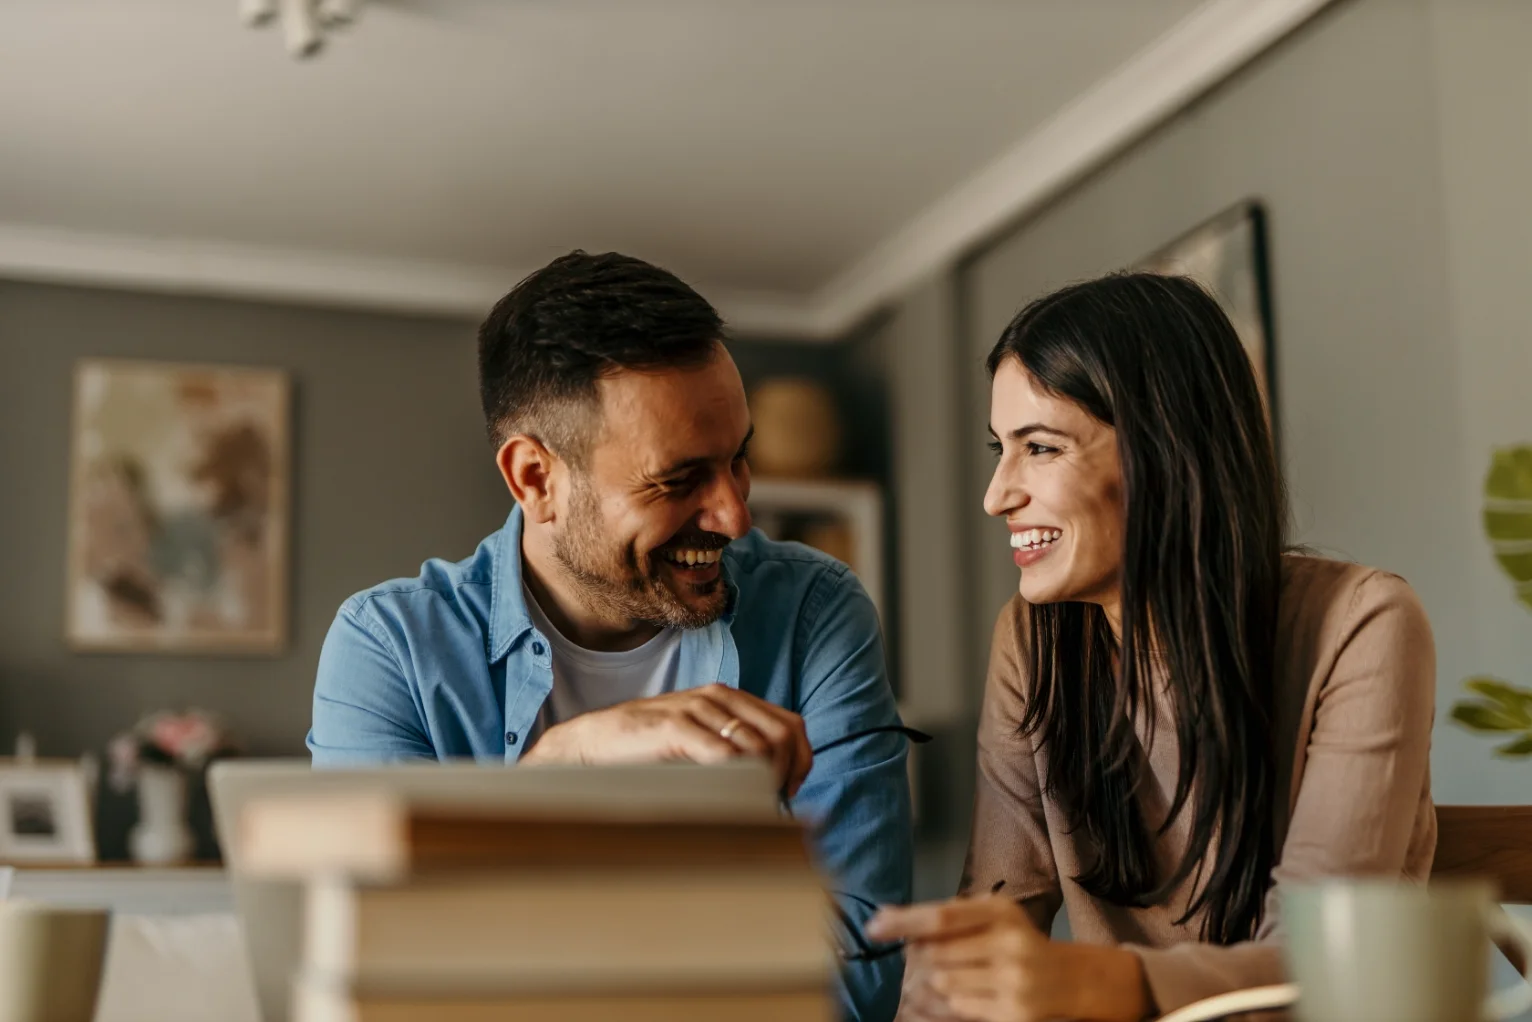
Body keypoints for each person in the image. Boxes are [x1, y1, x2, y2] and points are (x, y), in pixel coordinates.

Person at [308, 250, 914, 1021]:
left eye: (739, 461)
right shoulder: (388, 647)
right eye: (678, 480)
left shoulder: (815, 612)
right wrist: (567, 761)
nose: (735, 515)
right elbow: (373, 975)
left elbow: (857, 976)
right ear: (535, 479)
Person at [867, 273, 1435, 1022]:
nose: (997, 494)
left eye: (1039, 447)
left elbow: (1320, 962)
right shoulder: (1032, 639)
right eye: (1000, 449)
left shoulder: (1361, 625)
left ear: (1164, 453)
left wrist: (1100, 986)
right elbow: (1001, 909)